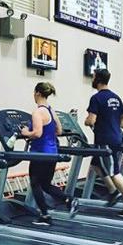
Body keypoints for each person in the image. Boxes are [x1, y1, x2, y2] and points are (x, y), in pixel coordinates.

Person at [84, 69, 123, 217]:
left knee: (114, 171)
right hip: (115, 138)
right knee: (96, 165)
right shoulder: (115, 97)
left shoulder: (96, 98)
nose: (92, 79)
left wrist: (87, 122)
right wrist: (117, 126)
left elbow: (91, 120)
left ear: (97, 79)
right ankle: (113, 191)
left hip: (105, 140)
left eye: (94, 77)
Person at [21, 82, 79, 226]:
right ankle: (68, 199)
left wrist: (25, 132)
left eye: (34, 93)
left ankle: (45, 215)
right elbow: (59, 131)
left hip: (40, 154)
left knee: (35, 183)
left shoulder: (38, 112)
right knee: (46, 184)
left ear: (38, 93)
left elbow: (37, 132)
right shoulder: (52, 111)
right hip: (52, 153)